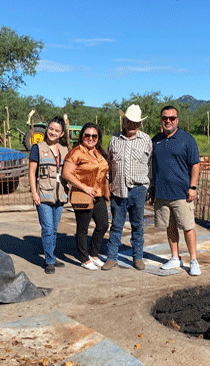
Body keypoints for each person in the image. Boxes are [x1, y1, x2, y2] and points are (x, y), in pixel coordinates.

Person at [150, 105, 201, 276]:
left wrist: (192, 187)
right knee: (169, 226)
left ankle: (193, 260)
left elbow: (195, 164)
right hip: (162, 192)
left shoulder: (187, 139)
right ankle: (175, 257)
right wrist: (152, 187)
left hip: (182, 193)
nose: (168, 121)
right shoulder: (155, 140)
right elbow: (153, 166)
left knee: (187, 226)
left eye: (172, 118)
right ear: (161, 119)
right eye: (165, 118)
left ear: (177, 120)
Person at [102, 104, 153, 271]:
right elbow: (109, 163)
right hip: (118, 188)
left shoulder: (146, 140)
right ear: (124, 121)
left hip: (138, 189)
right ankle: (112, 257)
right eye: (129, 121)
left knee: (137, 225)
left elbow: (151, 165)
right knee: (116, 225)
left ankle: (137, 257)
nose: (132, 125)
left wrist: (149, 186)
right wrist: (107, 185)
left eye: (136, 122)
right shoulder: (115, 139)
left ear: (139, 124)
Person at [62, 123, 110, 270]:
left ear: (98, 137)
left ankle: (93, 254)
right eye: (87, 135)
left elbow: (104, 172)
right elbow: (66, 173)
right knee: (83, 228)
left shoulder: (99, 152)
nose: (90, 138)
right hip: (82, 195)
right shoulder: (76, 152)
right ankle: (84, 258)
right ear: (82, 136)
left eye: (94, 136)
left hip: (98, 194)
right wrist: (84, 187)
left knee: (103, 225)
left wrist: (106, 189)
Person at [28, 117, 70, 274]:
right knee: (47, 228)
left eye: (57, 131)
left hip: (59, 196)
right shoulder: (37, 148)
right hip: (43, 195)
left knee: (54, 229)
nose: (53, 132)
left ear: (62, 133)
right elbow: (32, 172)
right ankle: (50, 261)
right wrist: (34, 192)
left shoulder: (65, 149)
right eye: (51, 129)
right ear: (47, 129)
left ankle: (50, 255)